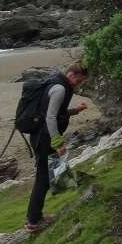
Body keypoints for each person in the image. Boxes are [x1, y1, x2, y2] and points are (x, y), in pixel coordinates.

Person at [24, 61, 89, 232]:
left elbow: (57, 112)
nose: (78, 84)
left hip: (40, 136)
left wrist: (76, 110)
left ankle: (35, 216)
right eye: (79, 81)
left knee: (44, 177)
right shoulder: (60, 89)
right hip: (44, 139)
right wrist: (58, 143)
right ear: (71, 75)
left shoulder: (56, 83)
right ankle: (33, 221)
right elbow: (50, 117)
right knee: (43, 178)